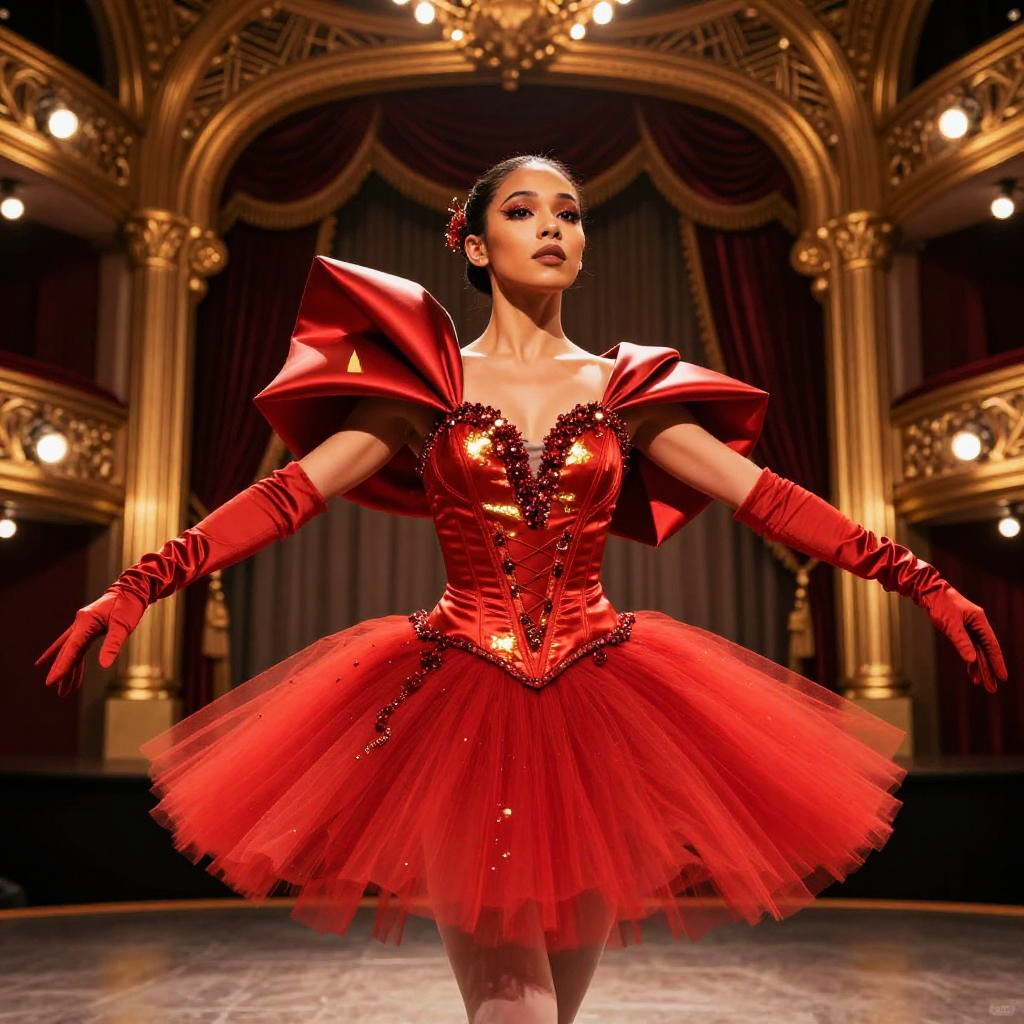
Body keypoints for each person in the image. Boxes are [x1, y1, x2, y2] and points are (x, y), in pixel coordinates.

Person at [37, 155, 1007, 1024]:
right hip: (459, 713)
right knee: (517, 1012)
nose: (554, 227)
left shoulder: (627, 390)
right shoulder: (424, 384)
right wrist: (136, 582)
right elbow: (288, 495)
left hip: (599, 712)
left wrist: (920, 581)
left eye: (571, 212)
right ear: (472, 240)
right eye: (524, 209)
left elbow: (770, 499)